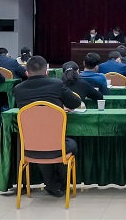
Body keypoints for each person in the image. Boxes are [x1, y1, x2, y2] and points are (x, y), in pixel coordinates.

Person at [12, 56, 81, 198]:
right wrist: (59, 107)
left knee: (41, 144)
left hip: (29, 147)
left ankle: (52, 184)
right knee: (69, 144)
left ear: (26, 73)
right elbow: (75, 103)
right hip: (57, 146)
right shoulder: (56, 84)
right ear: (47, 71)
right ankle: (61, 183)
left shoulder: (18, 89)